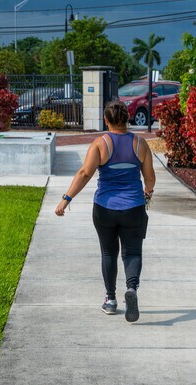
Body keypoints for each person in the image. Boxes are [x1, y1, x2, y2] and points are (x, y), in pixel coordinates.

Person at [55, 100, 156, 322]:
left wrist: (66, 199)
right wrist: (147, 193)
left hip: (105, 208)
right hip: (134, 208)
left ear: (106, 120)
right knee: (133, 253)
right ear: (127, 119)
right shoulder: (140, 143)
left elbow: (84, 173)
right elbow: (149, 178)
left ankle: (110, 300)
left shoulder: (101, 143)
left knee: (109, 253)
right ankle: (132, 289)